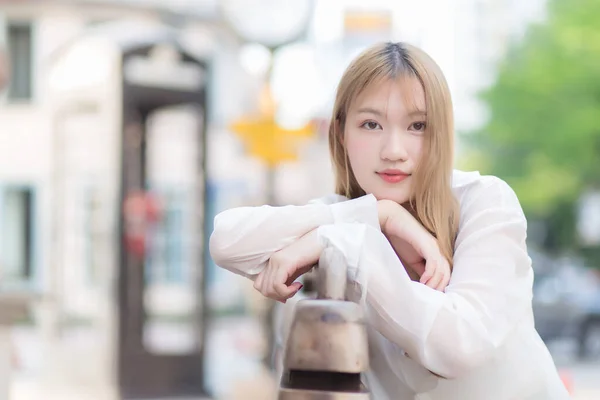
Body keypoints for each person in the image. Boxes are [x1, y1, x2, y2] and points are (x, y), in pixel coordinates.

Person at [209, 42, 569, 399]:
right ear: (340, 134)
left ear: (441, 132)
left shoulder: (484, 202)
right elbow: (227, 241)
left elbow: (461, 343)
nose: (394, 151)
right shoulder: (343, 215)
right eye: (370, 124)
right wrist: (376, 215)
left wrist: (347, 241)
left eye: (417, 126)